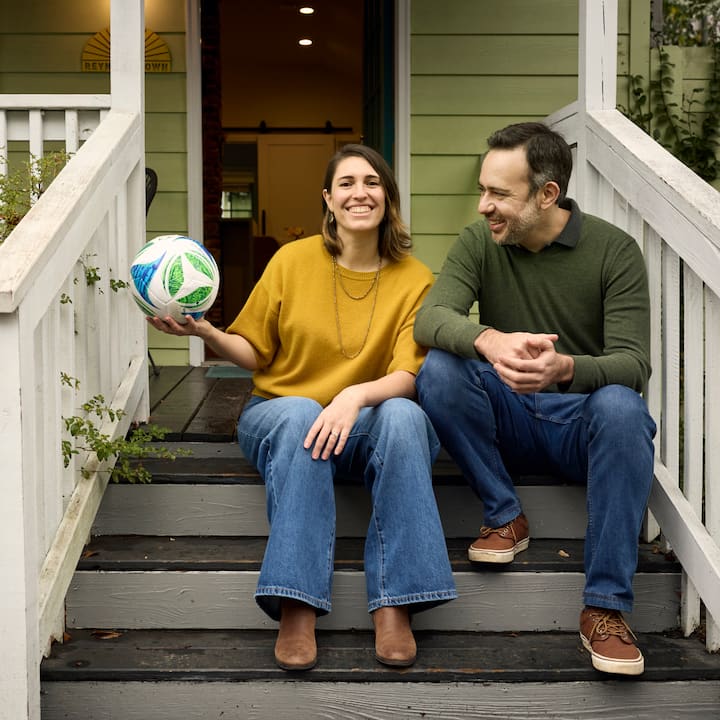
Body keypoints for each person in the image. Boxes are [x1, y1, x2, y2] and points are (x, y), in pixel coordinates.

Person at [149, 143, 457, 671]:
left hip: (363, 422)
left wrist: (353, 395)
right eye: (347, 184)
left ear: (388, 196)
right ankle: (296, 602)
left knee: (407, 417)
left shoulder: (417, 279)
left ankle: (396, 606)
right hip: (281, 414)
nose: (360, 192)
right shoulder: (291, 261)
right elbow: (254, 352)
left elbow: (408, 376)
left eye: (372, 182)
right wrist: (205, 331)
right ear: (329, 200)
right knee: (296, 414)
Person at [413, 122, 656, 677]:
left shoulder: (613, 251)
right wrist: (489, 339)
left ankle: (605, 609)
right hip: (507, 420)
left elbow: (632, 364)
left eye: (499, 194)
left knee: (623, 406)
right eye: (483, 189)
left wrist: (564, 368)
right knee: (442, 368)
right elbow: (430, 319)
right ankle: (504, 513)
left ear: (548, 194)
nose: (483, 206)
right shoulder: (479, 242)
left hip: (581, 427)